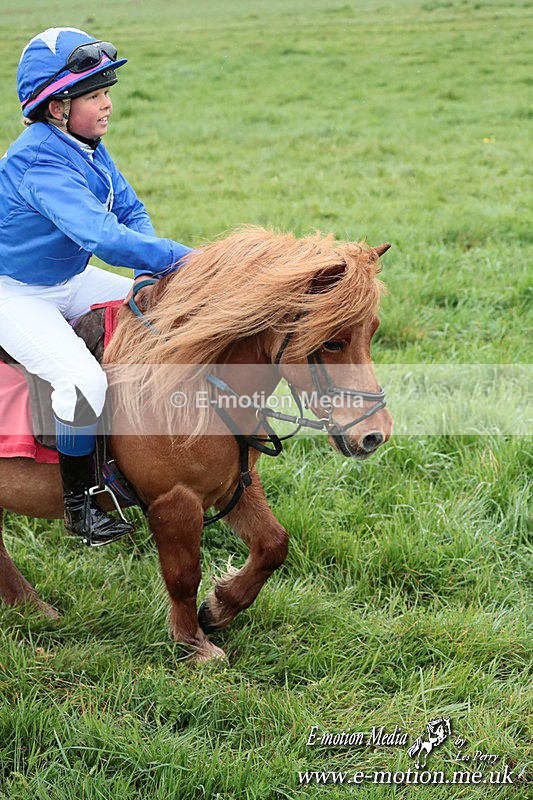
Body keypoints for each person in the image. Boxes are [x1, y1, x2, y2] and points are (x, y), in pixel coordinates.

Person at [0, 27, 194, 546]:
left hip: (69, 278)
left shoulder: (86, 144)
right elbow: (102, 235)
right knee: (83, 382)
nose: (108, 104)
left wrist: (156, 272)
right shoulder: (39, 160)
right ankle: (81, 505)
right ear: (56, 107)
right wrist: (188, 257)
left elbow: (130, 210)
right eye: (95, 95)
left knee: (164, 312)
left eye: (107, 91)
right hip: (15, 294)